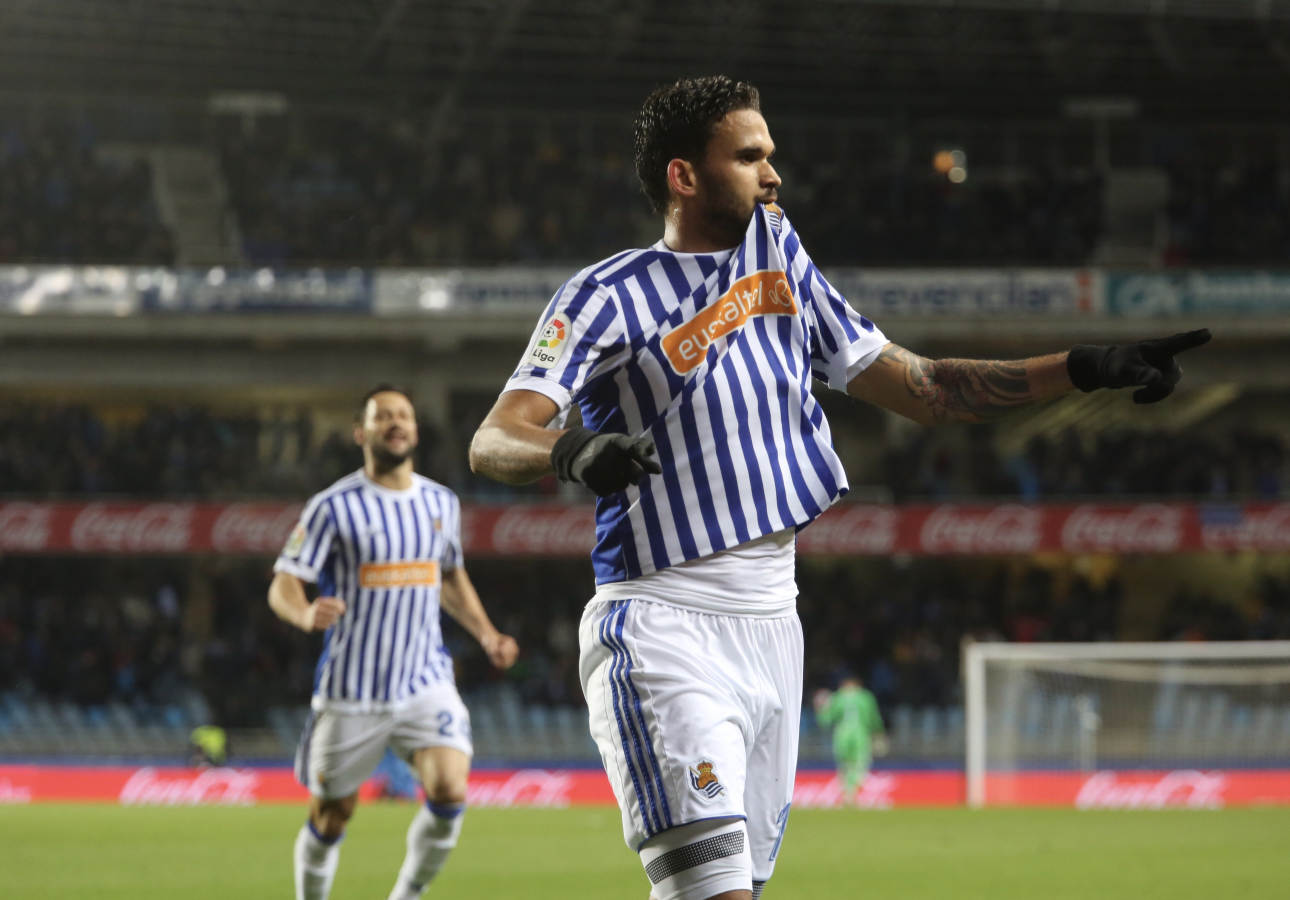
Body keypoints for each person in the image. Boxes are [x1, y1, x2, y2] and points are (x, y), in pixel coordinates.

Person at [467, 75, 1209, 900]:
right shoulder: (607, 293)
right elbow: (493, 438)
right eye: (749, 157)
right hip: (662, 621)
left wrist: (1087, 367)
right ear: (684, 176)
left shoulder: (780, 257)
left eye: (771, 155)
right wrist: (574, 450)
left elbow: (926, 388)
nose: (773, 173)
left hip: (775, 627)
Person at [270, 384, 519, 900]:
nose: (395, 423)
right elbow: (284, 581)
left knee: (450, 790)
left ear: (415, 430)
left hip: (425, 679)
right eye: (383, 416)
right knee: (332, 815)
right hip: (352, 688)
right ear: (362, 433)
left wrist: (487, 633)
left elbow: (449, 577)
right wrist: (304, 612)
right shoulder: (331, 507)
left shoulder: (440, 503)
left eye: (403, 415)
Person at [813, 675, 886, 804]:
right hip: (860, 734)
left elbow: (826, 720)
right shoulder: (865, 697)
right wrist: (879, 733)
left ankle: (847, 792)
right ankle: (852, 793)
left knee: (844, 765)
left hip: (842, 734)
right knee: (859, 764)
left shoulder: (837, 697)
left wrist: (820, 710)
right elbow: (874, 718)